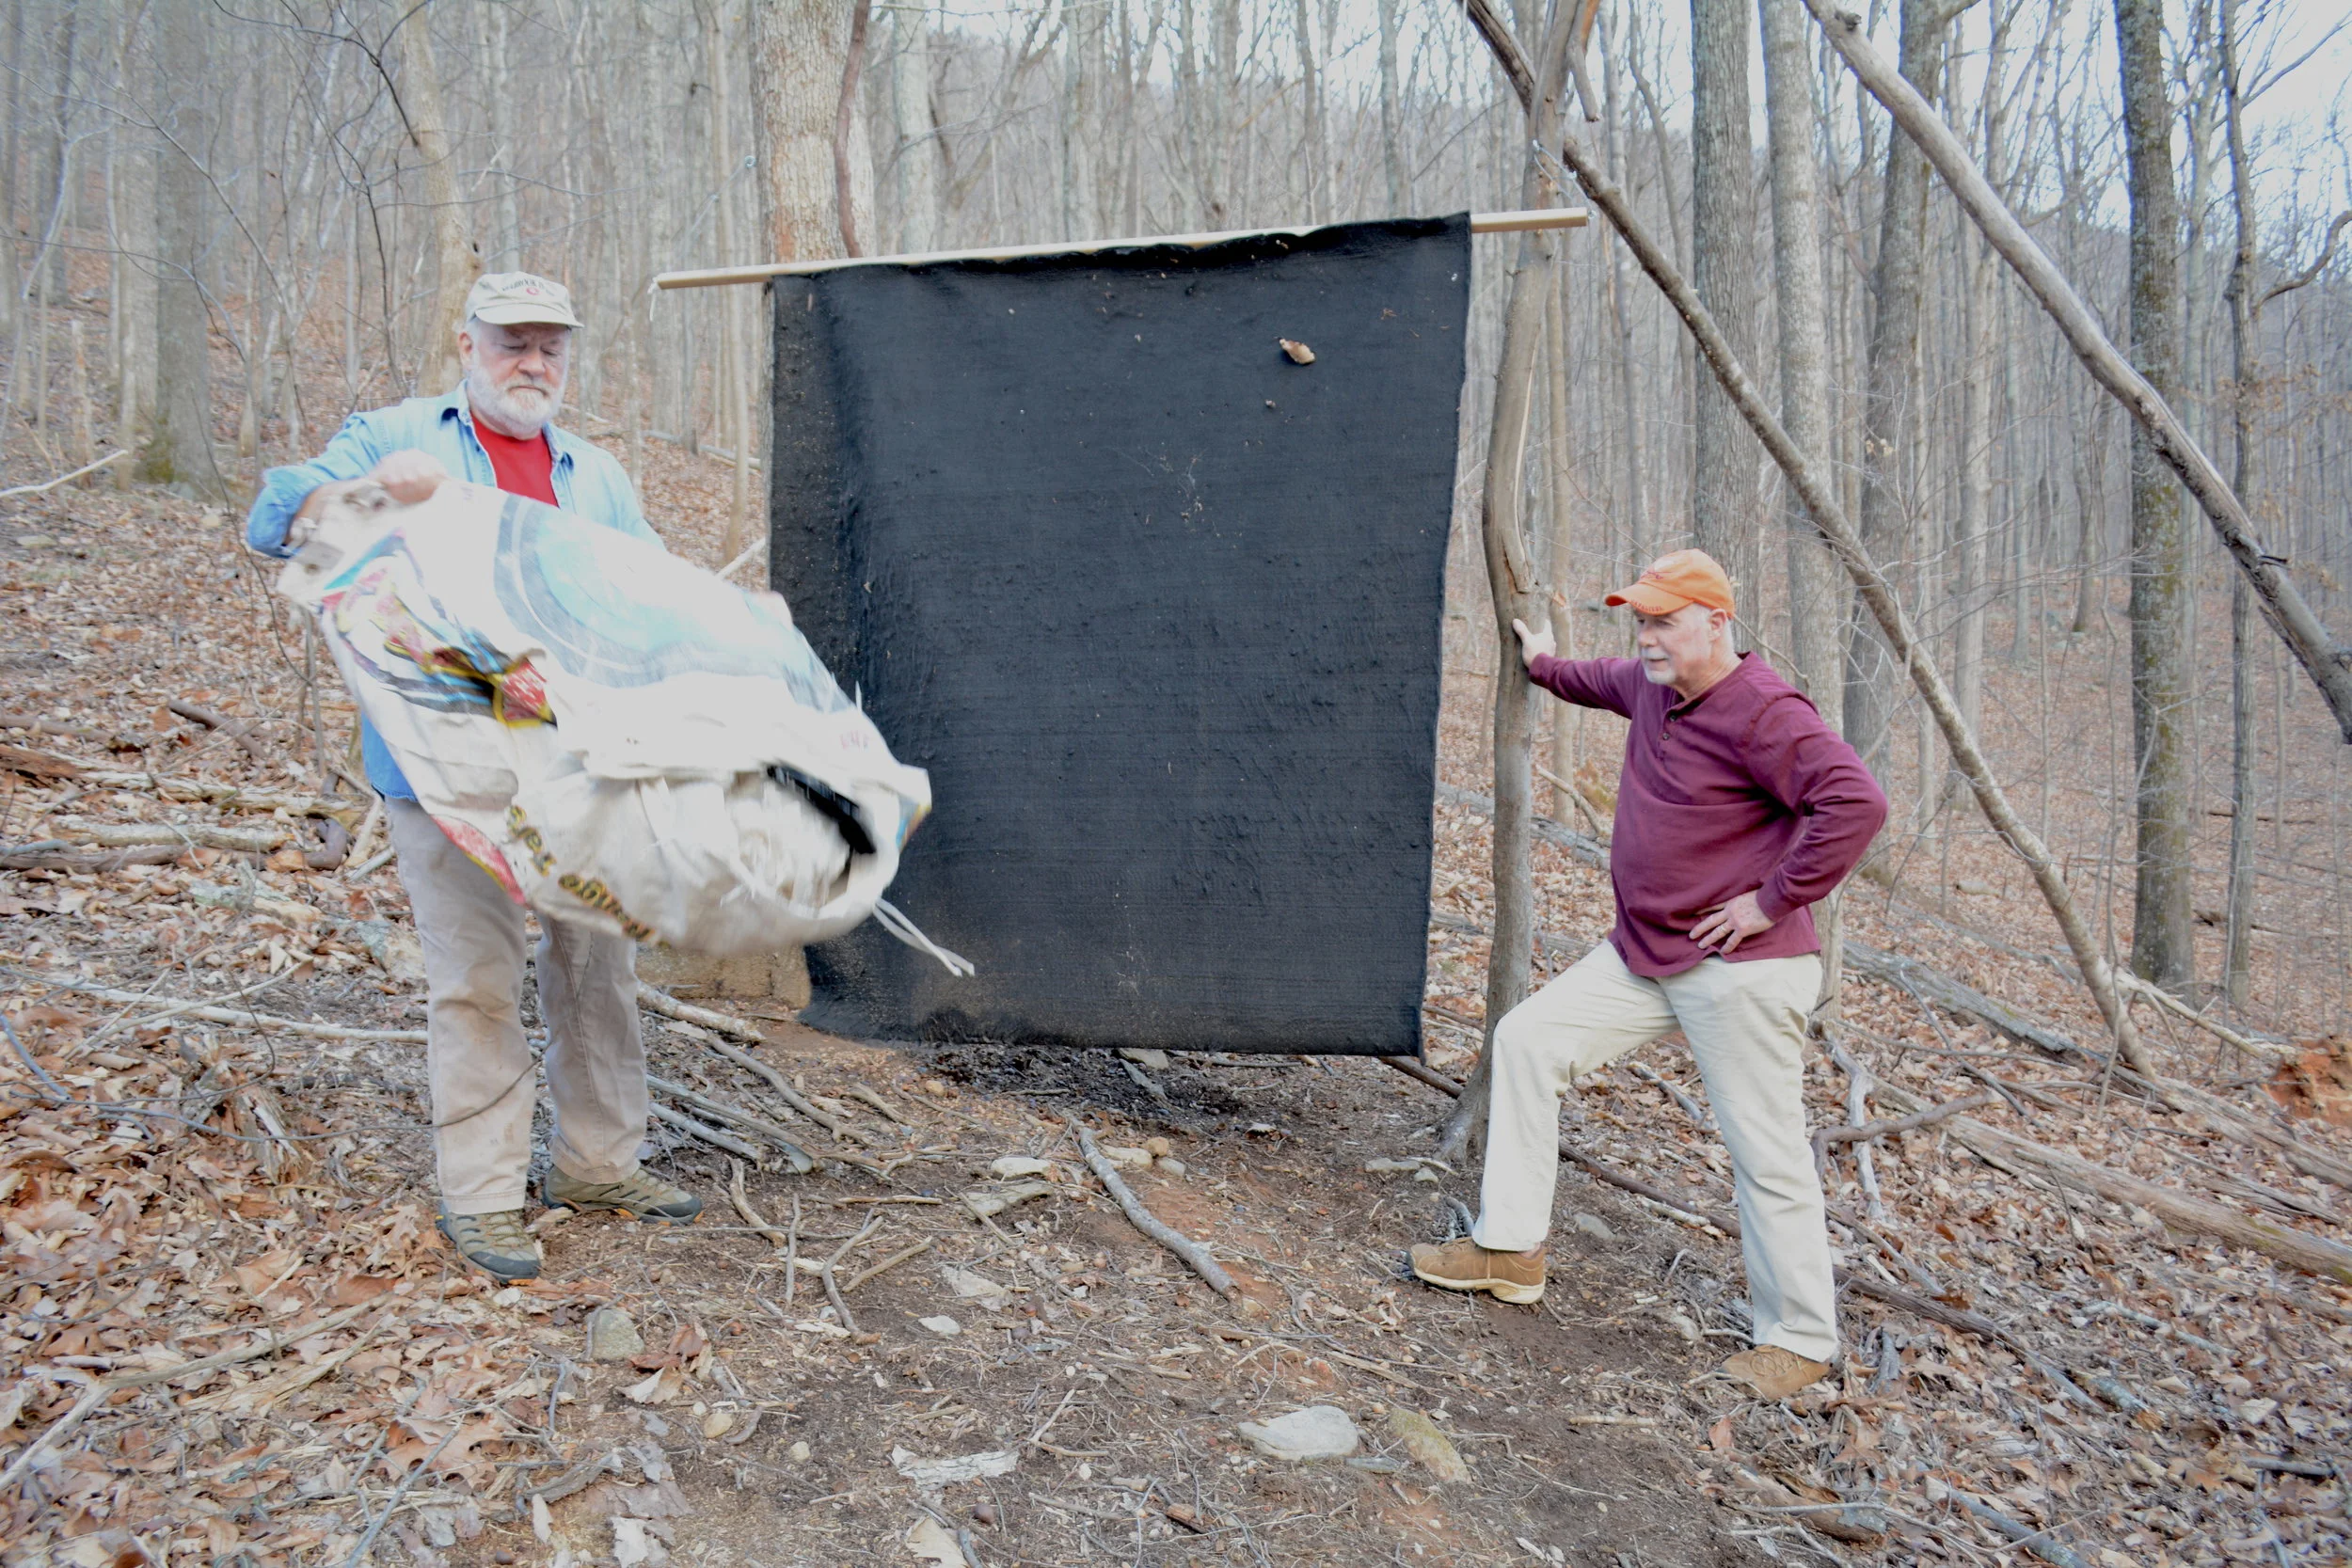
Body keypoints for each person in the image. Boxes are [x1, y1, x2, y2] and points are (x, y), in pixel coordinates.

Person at [246, 272, 702, 1282]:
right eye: (511, 343)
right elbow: (277, 515)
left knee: (599, 974)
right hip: (443, 772)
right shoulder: (399, 434)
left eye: (550, 346)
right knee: (477, 981)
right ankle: (486, 1195)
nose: (532, 363)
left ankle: (595, 1164)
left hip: (577, 769)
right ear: (467, 345)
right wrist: (365, 494)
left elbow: (648, 596)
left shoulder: (595, 474)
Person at [1408, 549, 1886, 1401]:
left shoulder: (1765, 710)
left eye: (1666, 619)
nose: (1648, 636)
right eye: (1642, 621)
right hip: (1644, 953)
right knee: (1526, 1040)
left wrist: (1769, 902)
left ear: (1717, 621)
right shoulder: (1654, 687)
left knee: (1765, 1152)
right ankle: (1511, 1247)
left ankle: (1802, 1339)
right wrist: (1542, 658)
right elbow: (1590, 679)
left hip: (1740, 968)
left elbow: (1856, 802)